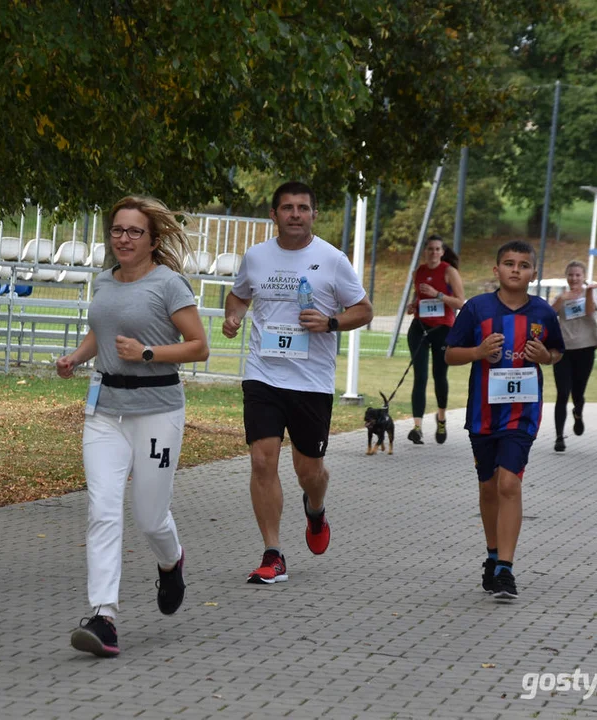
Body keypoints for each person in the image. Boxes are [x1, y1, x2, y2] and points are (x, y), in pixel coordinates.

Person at [56, 196, 209, 658]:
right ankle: (104, 617)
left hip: (157, 410)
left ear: (153, 239)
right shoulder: (104, 280)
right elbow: (101, 332)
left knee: (149, 515)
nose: (124, 238)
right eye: (117, 230)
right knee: (103, 509)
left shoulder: (169, 285)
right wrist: (76, 358)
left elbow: (199, 346)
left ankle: (171, 560)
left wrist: (147, 353)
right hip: (105, 411)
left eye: (134, 231)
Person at [222, 181, 373, 585]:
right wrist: (234, 317)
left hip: (311, 381)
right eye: (286, 207)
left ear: (313, 215)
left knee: (310, 471)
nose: (294, 214)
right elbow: (237, 296)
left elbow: (364, 310)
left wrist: (331, 322)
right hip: (263, 375)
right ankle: (273, 553)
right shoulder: (255, 256)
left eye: (302, 208)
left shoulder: (332, 259)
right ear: (273, 215)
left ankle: (316, 508)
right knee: (262, 460)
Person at [445, 240, 564, 602]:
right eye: (509, 264)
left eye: (524, 265)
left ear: (533, 273)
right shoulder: (477, 309)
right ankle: (493, 554)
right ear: (496, 271)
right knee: (488, 487)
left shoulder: (543, 313)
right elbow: (450, 353)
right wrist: (478, 352)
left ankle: (506, 570)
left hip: (522, 413)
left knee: (509, 483)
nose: (516, 270)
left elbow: (556, 352)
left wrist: (546, 355)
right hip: (483, 413)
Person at [405, 235, 465, 445]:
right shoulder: (419, 272)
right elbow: (417, 296)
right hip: (420, 328)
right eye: (430, 249)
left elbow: (460, 303)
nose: (433, 252)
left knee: (439, 376)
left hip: (442, 329)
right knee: (419, 377)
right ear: (425, 251)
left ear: (442, 251)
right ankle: (417, 427)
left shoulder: (449, 272)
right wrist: (413, 305)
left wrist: (437, 295)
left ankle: (441, 418)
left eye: (437, 249)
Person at [550, 260, 597, 452]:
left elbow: (589, 312)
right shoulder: (561, 296)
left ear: (583, 277)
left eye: (578, 275)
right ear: (566, 277)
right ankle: (558, 437)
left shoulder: (592, 292)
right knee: (562, 393)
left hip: (585, 348)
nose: (574, 278)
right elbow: (548, 314)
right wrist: (562, 299)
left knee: (577, 393)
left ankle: (578, 412)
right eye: (571, 275)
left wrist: (587, 292)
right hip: (563, 349)